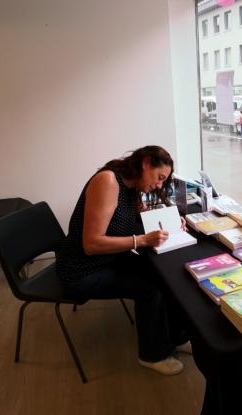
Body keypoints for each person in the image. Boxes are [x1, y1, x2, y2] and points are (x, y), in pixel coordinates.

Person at [56, 146, 190, 376]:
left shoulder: (129, 184)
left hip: (108, 259)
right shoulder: (108, 182)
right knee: (149, 288)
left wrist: (170, 224)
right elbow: (91, 244)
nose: (159, 185)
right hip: (82, 270)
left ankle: (174, 337)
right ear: (146, 163)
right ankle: (152, 355)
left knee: (164, 274)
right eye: (159, 178)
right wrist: (141, 240)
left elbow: (128, 219)